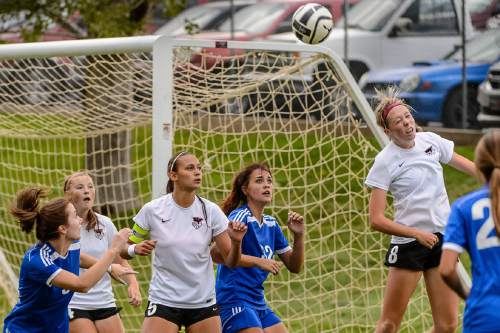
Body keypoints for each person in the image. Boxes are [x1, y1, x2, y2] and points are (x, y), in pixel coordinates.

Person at [365, 86, 476, 333]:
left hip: (441, 241)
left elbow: (467, 165)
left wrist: (493, 177)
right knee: (389, 325)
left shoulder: (431, 142)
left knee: (447, 326)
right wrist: (416, 234)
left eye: (407, 116)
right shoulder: (385, 161)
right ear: (388, 130)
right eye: (398, 121)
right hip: (409, 245)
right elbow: (376, 219)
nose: (406, 123)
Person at [127, 151, 248, 333]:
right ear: (173, 175)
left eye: (199, 168)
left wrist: (237, 242)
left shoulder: (211, 211)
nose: (197, 172)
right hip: (164, 300)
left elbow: (231, 261)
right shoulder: (152, 210)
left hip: (203, 302)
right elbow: (125, 247)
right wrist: (134, 248)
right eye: (190, 168)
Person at [3, 187, 133, 333]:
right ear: (62, 229)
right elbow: (81, 284)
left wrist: (109, 268)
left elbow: (78, 257)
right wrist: (113, 250)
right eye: (75, 216)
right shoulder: (38, 261)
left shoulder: (72, 244)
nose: (80, 220)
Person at [213, 162, 305, 333]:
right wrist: (258, 261)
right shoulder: (239, 217)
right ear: (245, 189)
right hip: (234, 297)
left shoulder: (271, 223)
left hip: (257, 300)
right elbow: (216, 254)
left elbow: (294, 266)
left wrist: (298, 236)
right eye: (259, 181)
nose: (266, 185)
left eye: (269, 181)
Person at [63, 171, 141, 333]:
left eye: (90, 186)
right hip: (74, 301)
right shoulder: (63, 226)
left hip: (104, 301)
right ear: (68, 195)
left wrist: (133, 284)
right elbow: (77, 257)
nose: (87, 190)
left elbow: (119, 260)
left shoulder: (105, 223)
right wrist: (110, 268)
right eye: (80, 187)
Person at [440, 129, 500, 332]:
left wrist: (468, 295)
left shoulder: (463, 207)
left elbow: (447, 269)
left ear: (480, 165)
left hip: (484, 313)